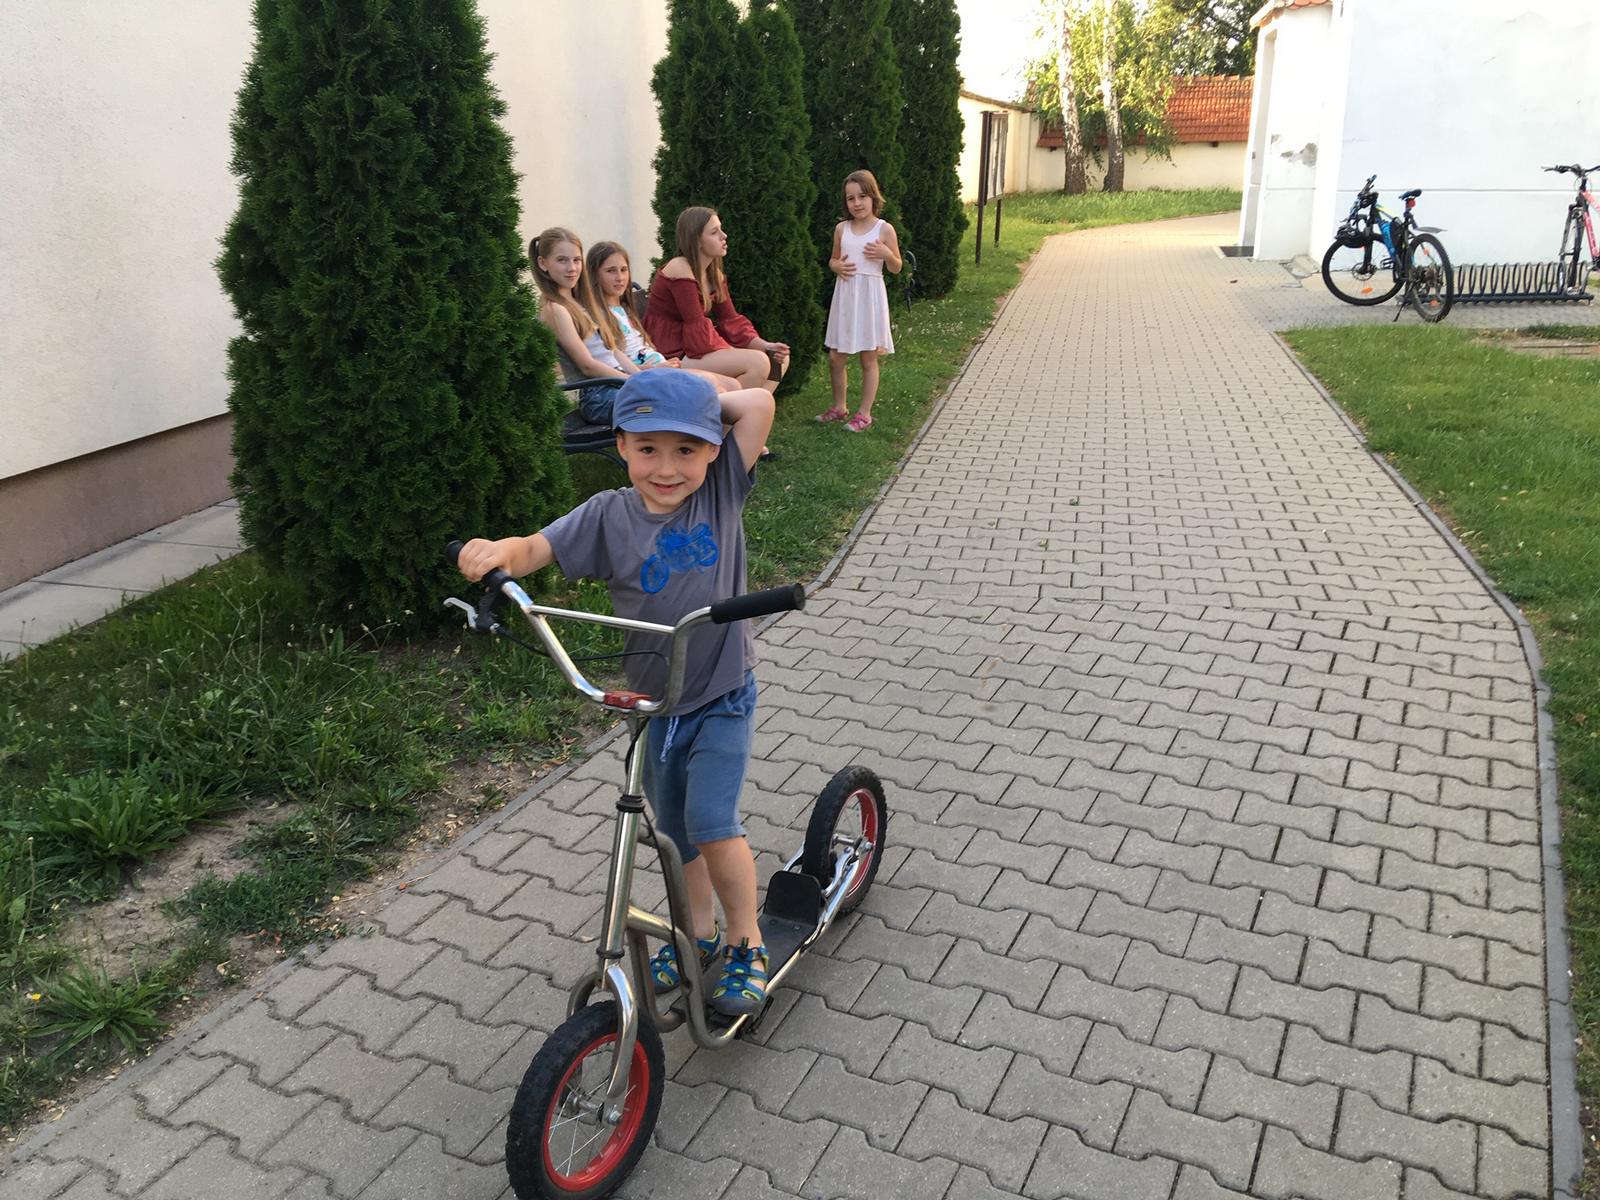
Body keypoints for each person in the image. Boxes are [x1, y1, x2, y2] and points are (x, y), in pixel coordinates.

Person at [454, 370, 777, 1017]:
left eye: (685, 448)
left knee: (712, 825)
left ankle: (747, 943)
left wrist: (695, 400)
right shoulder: (607, 515)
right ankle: (697, 934)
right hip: (655, 707)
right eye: (648, 447)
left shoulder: (720, 486)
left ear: (712, 449)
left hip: (721, 696)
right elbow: (537, 547)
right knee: (675, 834)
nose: (667, 467)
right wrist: (500, 554)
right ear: (622, 445)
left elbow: (759, 403)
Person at [645, 207, 790, 396]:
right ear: (696, 240)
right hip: (674, 353)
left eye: (721, 229)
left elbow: (731, 320)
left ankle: (755, 404)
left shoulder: (714, 275)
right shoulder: (680, 267)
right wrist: (730, 350)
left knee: (778, 358)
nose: (724, 236)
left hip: (694, 348)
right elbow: (695, 323)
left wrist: (764, 345)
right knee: (758, 363)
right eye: (714, 232)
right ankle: (729, 411)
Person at [817, 170, 901, 433]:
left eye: (862, 196)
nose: (857, 203)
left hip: (869, 298)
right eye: (850, 198)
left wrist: (886, 254)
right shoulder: (841, 229)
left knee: (868, 358)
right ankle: (839, 406)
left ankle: (864, 414)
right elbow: (833, 260)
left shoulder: (884, 229)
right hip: (845, 296)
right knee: (835, 357)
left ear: (873, 196)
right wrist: (836, 266)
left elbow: (897, 267)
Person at [530, 226, 633, 426]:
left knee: (684, 391)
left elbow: (614, 351)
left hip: (618, 382)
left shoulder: (582, 301)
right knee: (667, 402)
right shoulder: (554, 309)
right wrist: (632, 382)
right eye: (562, 260)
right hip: (598, 394)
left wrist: (641, 378)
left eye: (576, 260)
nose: (572, 268)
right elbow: (587, 366)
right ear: (543, 263)